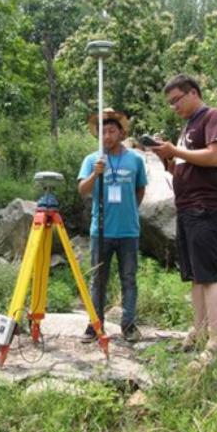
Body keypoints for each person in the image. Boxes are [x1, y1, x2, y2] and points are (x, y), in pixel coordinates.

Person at [151, 74, 217, 355]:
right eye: (170, 103)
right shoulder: (188, 127)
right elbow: (181, 170)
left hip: (205, 207)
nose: (174, 107)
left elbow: (214, 157)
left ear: (193, 92)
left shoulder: (213, 117)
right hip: (186, 208)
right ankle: (198, 332)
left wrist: (176, 149)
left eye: (176, 100)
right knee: (196, 276)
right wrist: (167, 158)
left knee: (209, 274)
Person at [78, 108, 148, 343]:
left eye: (111, 131)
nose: (106, 136)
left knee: (129, 279)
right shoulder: (92, 160)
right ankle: (94, 324)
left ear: (121, 132)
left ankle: (128, 325)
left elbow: (140, 189)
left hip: (128, 230)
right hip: (101, 231)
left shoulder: (135, 159)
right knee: (98, 279)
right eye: (102, 132)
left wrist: (130, 210)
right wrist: (95, 174)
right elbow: (82, 190)